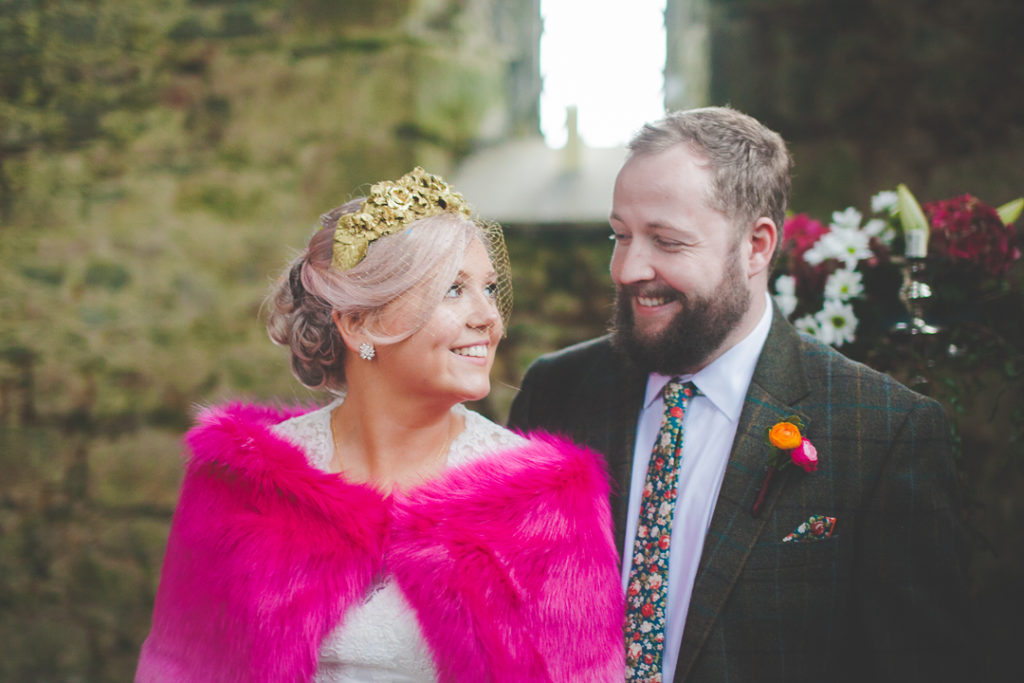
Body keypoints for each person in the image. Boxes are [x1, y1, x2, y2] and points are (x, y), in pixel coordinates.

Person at [507, 107, 972, 682]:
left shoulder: (881, 430)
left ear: (756, 246)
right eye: (620, 235)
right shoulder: (556, 392)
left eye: (667, 241)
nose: (628, 268)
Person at [136, 167, 625, 682]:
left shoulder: (547, 500)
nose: (489, 317)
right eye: (453, 290)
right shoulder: (241, 480)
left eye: (489, 288)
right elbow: (177, 666)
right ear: (358, 323)